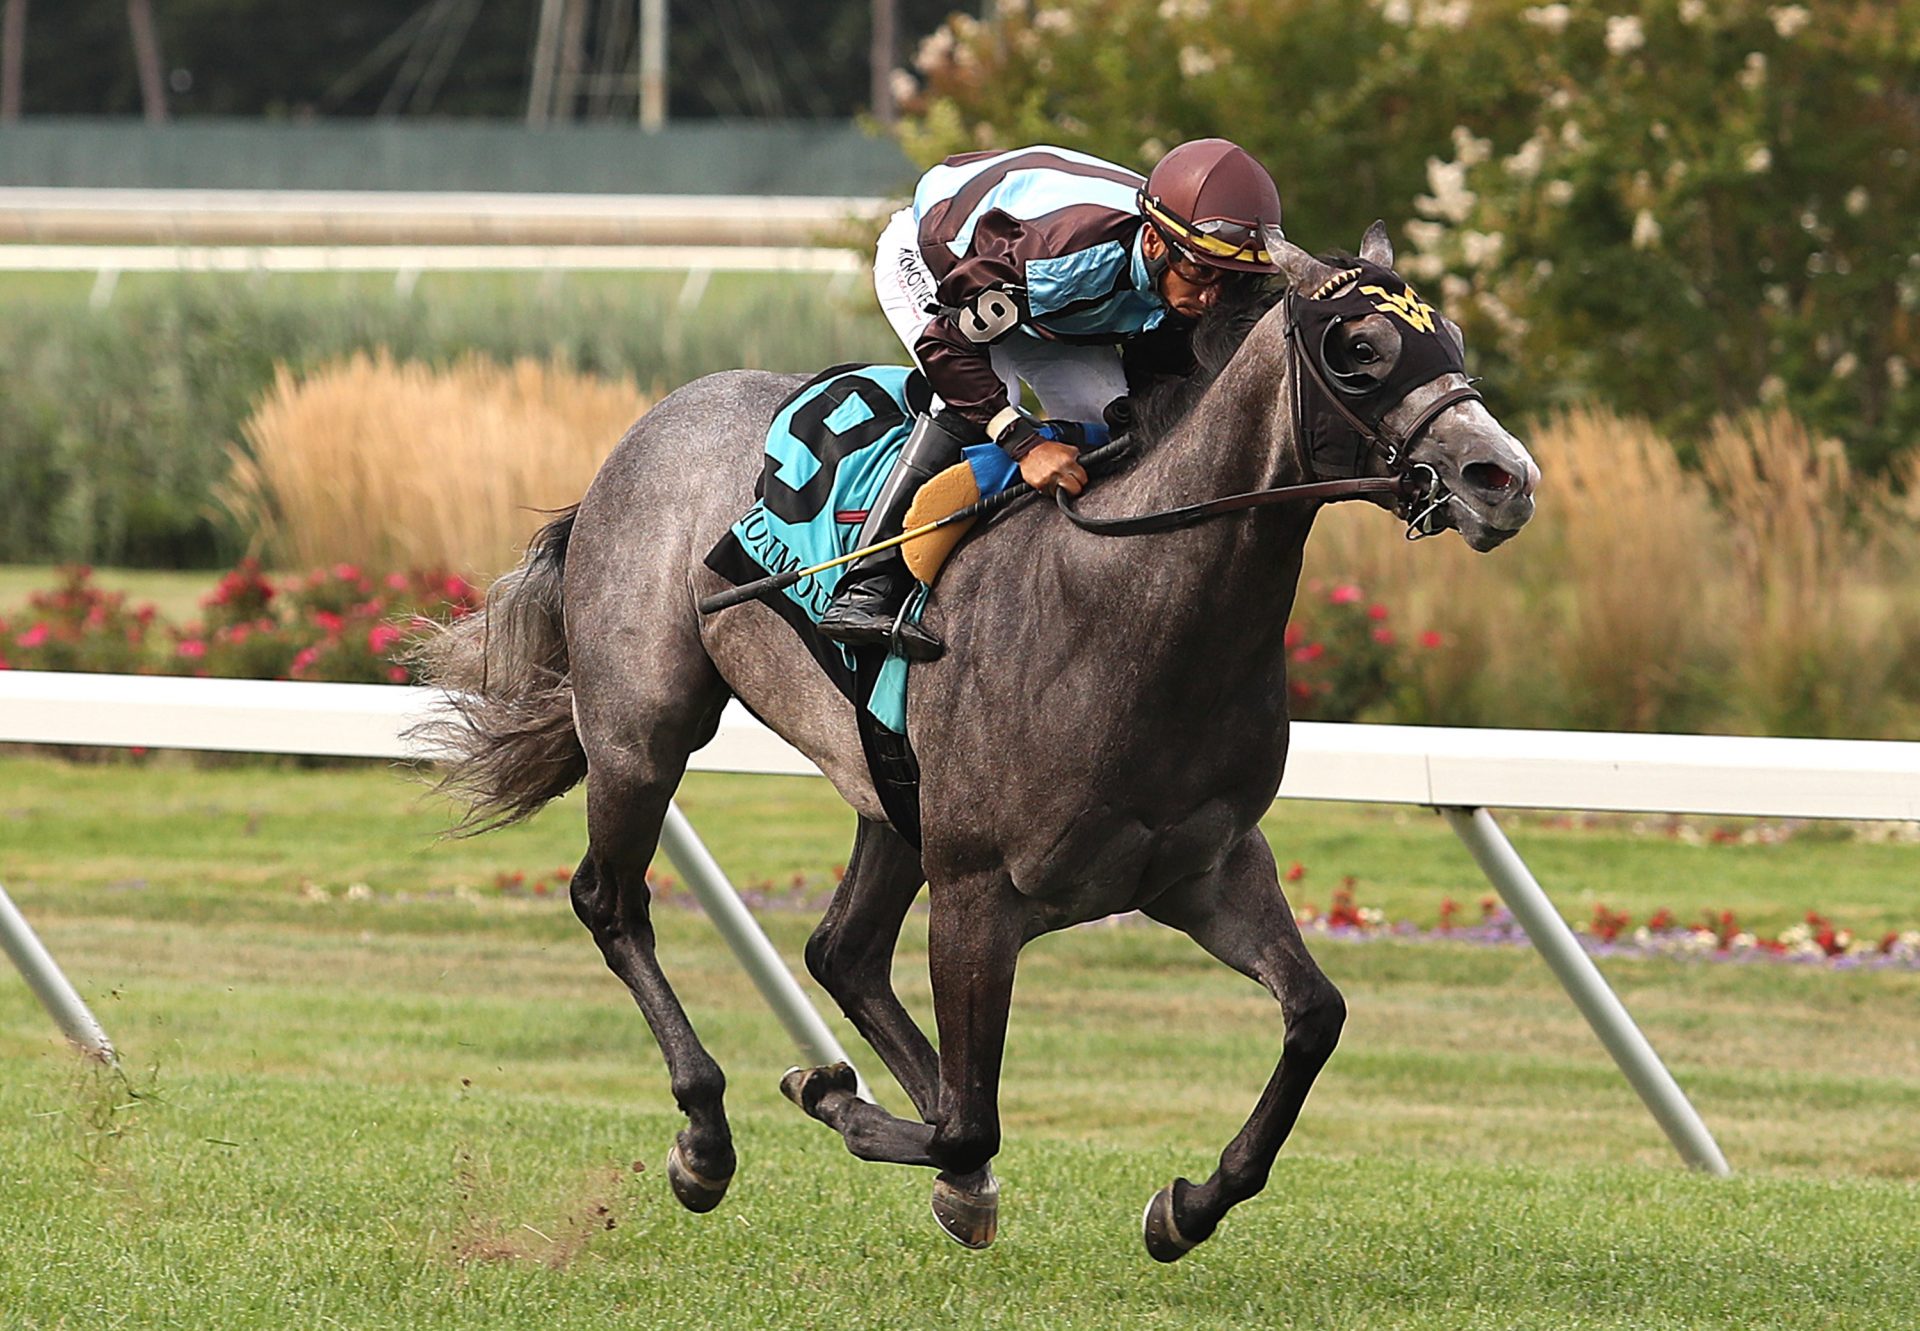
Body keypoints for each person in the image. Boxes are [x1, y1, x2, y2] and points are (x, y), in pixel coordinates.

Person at [818, 138, 1285, 659]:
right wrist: (1025, 445)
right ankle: (866, 587)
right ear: (1155, 242)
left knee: (1115, 426)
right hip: (944, 264)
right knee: (974, 408)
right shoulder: (1062, 260)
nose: (1213, 297)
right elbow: (946, 346)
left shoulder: (1177, 265)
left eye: (1234, 281)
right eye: (1201, 272)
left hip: (1039, 301)